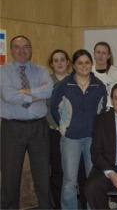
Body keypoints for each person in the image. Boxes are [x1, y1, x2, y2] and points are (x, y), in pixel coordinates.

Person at [1, 35, 53, 209]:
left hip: (39, 127)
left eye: (26, 47)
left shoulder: (41, 70)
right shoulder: (2, 71)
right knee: (10, 174)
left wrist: (23, 91)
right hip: (12, 127)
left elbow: (49, 91)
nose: (22, 51)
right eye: (17, 47)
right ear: (11, 50)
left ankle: (46, 207)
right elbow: (8, 96)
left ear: (31, 49)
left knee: (43, 174)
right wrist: (35, 95)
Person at [51, 49, 107, 209]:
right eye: (80, 63)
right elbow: (55, 109)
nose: (84, 66)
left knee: (92, 179)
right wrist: (65, 127)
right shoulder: (63, 85)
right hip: (70, 139)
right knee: (69, 180)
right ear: (74, 65)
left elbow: (102, 111)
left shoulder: (99, 85)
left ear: (92, 64)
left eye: (87, 62)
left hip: (92, 139)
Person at [46, 49, 71, 209]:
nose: (60, 63)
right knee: (56, 171)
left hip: (72, 133)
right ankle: (57, 205)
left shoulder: (75, 79)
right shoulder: (45, 81)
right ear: (51, 63)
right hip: (53, 131)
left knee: (72, 172)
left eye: (62, 59)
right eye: (56, 60)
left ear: (68, 62)